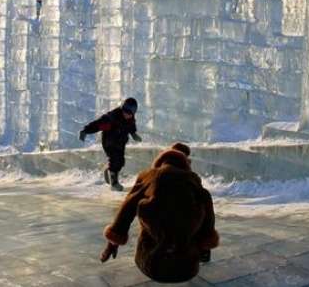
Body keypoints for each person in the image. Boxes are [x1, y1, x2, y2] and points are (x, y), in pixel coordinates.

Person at [100, 145, 219, 283]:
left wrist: (114, 241)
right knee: (192, 210)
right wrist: (205, 244)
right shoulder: (192, 178)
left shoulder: (148, 175)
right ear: (186, 163)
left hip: (150, 264)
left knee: (150, 210)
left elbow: (128, 205)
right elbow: (207, 208)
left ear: (161, 159)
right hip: (186, 268)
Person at [79, 98, 142, 191]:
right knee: (115, 159)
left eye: (130, 113)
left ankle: (109, 171)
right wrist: (85, 130)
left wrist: (134, 134)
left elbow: (131, 126)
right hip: (109, 141)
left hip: (121, 142)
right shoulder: (112, 117)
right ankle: (114, 183)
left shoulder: (130, 119)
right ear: (122, 108)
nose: (127, 115)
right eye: (125, 111)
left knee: (120, 161)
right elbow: (97, 124)